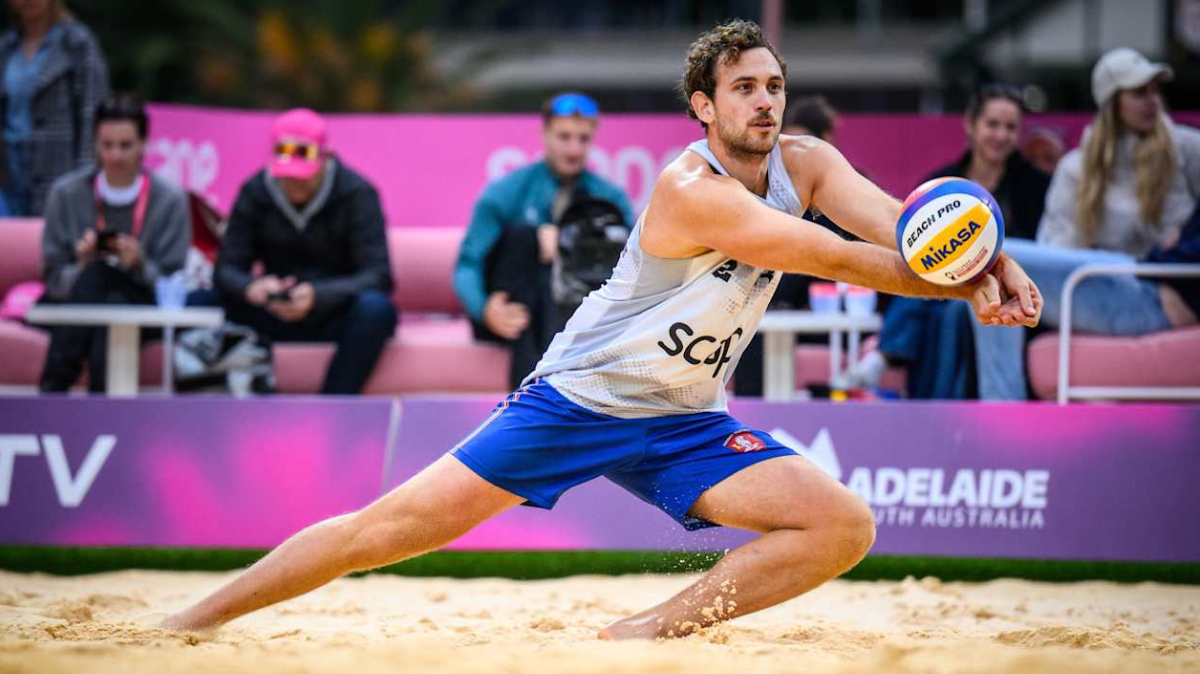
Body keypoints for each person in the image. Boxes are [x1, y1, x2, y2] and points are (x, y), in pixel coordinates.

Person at [161, 20, 1039, 638]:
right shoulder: (689, 189)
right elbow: (833, 258)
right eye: (744, 89)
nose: (766, 102)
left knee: (842, 527)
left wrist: (993, 262)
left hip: (682, 415)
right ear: (704, 105)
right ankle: (191, 622)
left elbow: (902, 228)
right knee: (383, 532)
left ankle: (643, 635)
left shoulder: (806, 161)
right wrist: (964, 286)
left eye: (775, 86)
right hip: (580, 399)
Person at [966, 48, 1200, 400]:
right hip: (1109, 279)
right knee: (991, 256)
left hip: (1161, 288)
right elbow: (1057, 250)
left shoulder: (1187, 149)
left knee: (993, 257)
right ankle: (1002, 413)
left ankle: (1001, 411)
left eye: (1155, 91)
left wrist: (1183, 243)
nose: (1152, 101)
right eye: (1139, 93)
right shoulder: (1078, 167)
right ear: (1112, 102)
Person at [852, 83, 1052, 399]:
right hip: (944, 284)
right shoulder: (939, 186)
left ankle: (889, 357)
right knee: (926, 279)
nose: (1001, 135)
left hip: (1001, 289)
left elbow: (1043, 252)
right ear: (970, 126)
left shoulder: (1035, 186)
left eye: (1010, 127)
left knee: (955, 312)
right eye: (992, 124)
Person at [201, 108, 396, 395]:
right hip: (270, 310)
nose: (294, 184)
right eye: (286, 175)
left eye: (302, 175)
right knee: (200, 302)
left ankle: (333, 405)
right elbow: (226, 268)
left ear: (325, 157)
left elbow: (379, 276)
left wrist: (318, 296)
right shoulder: (255, 192)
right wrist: (252, 288)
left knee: (376, 310)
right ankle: (226, 401)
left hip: (332, 312)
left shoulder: (358, 194)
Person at [454, 92, 634, 389]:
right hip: (505, 311)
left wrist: (567, 247)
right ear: (544, 134)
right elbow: (468, 264)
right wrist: (484, 309)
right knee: (522, 237)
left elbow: (631, 267)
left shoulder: (609, 199)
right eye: (564, 137)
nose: (574, 149)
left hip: (575, 309)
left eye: (583, 139)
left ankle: (532, 392)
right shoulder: (506, 190)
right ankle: (540, 388)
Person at [37, 95, 190, 392]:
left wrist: (139, 264)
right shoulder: (65, 194)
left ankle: (52, 389)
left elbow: (174, 284)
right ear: (95, 143)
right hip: (73, 301)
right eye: (107, 145)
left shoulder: (170, 200)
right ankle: (104, 413)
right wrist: (81, 266)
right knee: (99, 280)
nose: (116, 156)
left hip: (141, 307)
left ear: (144, 143)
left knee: (108, 286)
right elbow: (53, 279)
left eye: (125, 145)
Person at [0, 0, 108, 216]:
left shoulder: (77, 43)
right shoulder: (6, 47)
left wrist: (86, 177)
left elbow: (93, 113)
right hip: (9, 170)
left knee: (51, 242)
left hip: (58, 167)